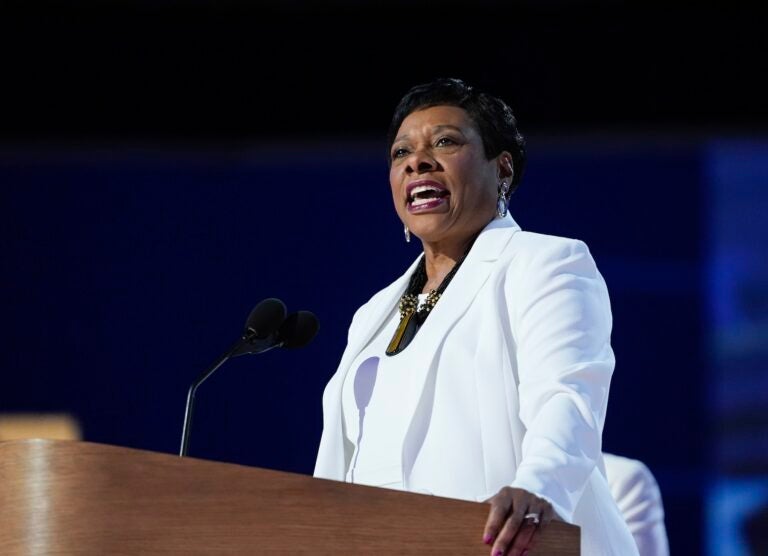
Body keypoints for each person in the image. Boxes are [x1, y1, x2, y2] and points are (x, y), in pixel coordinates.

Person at [314, 78, 639, 555]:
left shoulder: (545, 263)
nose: (417, 162)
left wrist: (538, 485)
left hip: (509, 542)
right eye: (401, 153)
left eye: (444, 142)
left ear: (502, 168)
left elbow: (568, 394)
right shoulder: (371, 315)